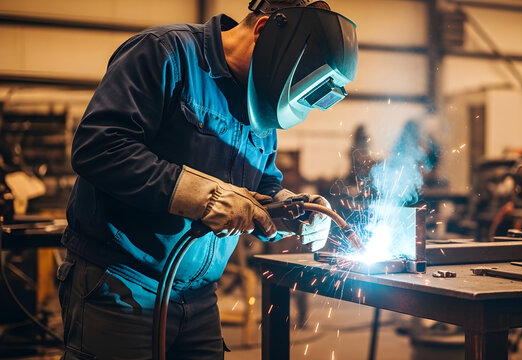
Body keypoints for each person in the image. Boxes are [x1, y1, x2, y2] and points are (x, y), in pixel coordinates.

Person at [56, 0, 358, 358]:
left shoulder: (258, 105)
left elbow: (262, 187)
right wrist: (201, 195)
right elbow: (99, 147)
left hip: (199, 298)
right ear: (262, 31)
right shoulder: (165, 53)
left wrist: (295, 209)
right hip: (121, 286)